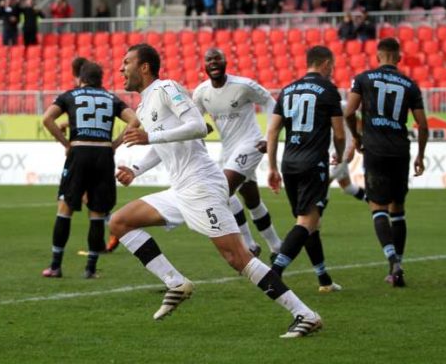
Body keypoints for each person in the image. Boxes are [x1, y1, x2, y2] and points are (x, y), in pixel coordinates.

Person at [110, 44, 322, 338]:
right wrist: (136, 169)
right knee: (120, 221)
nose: (121, 68)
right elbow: (161, 145)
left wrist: (150, 136)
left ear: (144, 67)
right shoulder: (145, 105)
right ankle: (175, 283)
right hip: (181, 189)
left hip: (201, 185)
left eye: (126, 62)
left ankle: (305, 315)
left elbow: (197, 126)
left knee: (238, 258)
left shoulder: (167, 88)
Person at [41, 62, 139, 279]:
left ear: (80, 79)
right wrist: (114, 144)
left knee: (65, 209)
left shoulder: (70, 95)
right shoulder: (111, 98)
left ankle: (55, 267)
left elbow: (47, 119)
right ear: (100, 79)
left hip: (79, 152)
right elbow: (135, 120)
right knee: (97, 213)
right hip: (103, 155)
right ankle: (90, 269)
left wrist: (66, 144)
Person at [344, 38, 429, 287]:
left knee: (377, 206)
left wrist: (358, 137)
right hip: (400, 151)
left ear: (378, 56)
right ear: (399, 58)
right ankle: (398, 265)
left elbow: (349, 112)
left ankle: (391, 257)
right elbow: (423, 125)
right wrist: (421, 156)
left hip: (375, 150)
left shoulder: (363, 78)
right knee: (398, 209)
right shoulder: (410, 85)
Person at [267, 46, 345, 293]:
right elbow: (340, 133)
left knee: (310, 223)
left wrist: (271, 166)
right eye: (331, 66)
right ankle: (274, 272)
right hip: (314, 164)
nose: (331, 71)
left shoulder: (287, 90)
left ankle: (324, 279)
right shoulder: (329, 90)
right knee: (307, 222)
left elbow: (272, 130)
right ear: (324, 64)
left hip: (289, 164)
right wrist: (340, 155)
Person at [192, 48, 283, 258]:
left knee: (222, 191)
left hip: (251, 144)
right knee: (251, 199)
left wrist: (269, 136)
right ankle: (277, 247)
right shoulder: (201, 93)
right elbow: (194, 120)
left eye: (217, 59)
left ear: (225, 62)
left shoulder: (243, 86)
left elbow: (270, 101)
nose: (213, 62)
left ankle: (248, 245)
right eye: (209, 60)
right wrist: (201, 129)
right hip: (229, 150)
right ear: (204, 65)